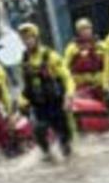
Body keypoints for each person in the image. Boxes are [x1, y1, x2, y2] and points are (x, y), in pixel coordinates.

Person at [18, 23, 75, 160]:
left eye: (30, 37)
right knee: (39, 130)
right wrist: (22, 101)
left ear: (36, 38)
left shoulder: (51, 56)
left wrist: (69, 95)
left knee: (64, 140)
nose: (27, 41)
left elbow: (67, 77)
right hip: (39, 106)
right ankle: (48, 156)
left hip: (56, 104)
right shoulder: (24, 60)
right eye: (24, 39)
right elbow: (25, 87)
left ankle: (68, 157)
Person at [64, 18, 108, 102]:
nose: (86, 31)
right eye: (82, 29)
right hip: (82, 89)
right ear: (78, 32)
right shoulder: (72, 48)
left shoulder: (101, 46)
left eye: (88, 28)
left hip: (101, 87)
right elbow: (65, 69)